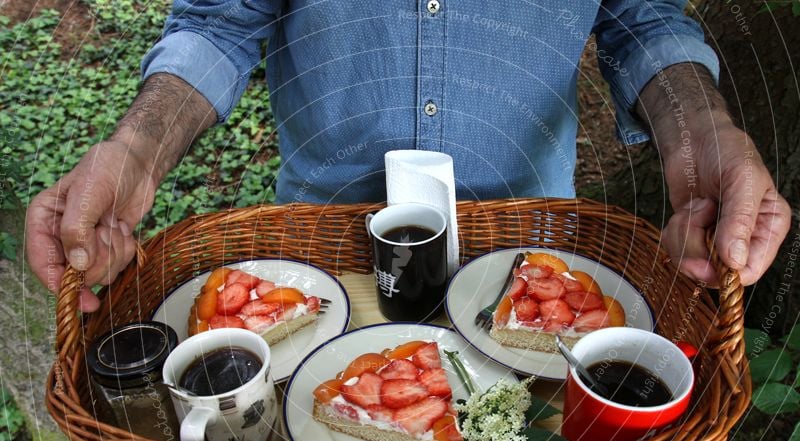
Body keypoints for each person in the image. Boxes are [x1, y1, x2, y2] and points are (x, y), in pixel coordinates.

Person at [25, 1, 791, 312]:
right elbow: (220, 21)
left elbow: (644, 20)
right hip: (319, 275)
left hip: (534, 281)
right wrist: (133, 150)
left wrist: (705, 137)